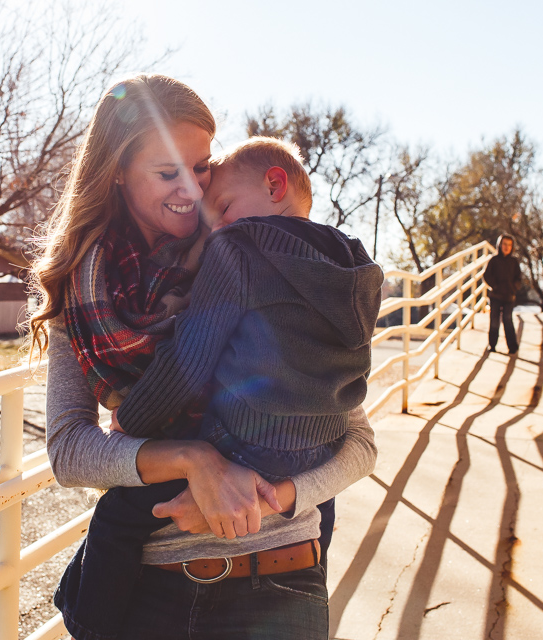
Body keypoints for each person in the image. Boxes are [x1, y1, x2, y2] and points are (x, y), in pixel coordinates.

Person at [28, 74, 377, 640]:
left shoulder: (259, 255)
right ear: (117, 172)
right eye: (168, 172)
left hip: (281, 582)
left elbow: (356, 442)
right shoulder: (84, 289)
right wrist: (194, 460)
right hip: (148, 591)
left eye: (202, 167)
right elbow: (70, 451)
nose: (191, 188)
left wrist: (264, 499)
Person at [483, 233, 521, 354]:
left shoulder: (514, 262)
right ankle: (492, 345)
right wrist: (495, 286)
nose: (507, 247)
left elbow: (519, 279)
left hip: (509, 296)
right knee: (494, 321)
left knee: (507, 320)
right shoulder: (494, 260)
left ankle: (512, 347)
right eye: (504, 244)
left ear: (512, 247)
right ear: (500, 245)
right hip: (495, 296)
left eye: (509, 245)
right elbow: (486, 276)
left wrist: (514, 288)